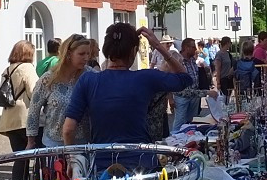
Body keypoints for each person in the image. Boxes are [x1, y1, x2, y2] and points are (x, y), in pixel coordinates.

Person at [63, 24, 195, 170]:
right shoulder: (145, 78)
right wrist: (158, 46)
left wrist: (72, 160)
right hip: (142, 164)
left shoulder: (88, 80)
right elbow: (185, 79)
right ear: (133, 51)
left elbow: (68, 129)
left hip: (103, 166)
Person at [26, 34, 97, 158]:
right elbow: (34, 111)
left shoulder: (91, 76)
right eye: (81, 54)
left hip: (83, 144)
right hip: (53, 145)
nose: (86, 58)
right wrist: (31, 141)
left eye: (88, 54)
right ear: (69, 54)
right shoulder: (48, 79)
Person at [0, 40, 39, 155]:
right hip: (25, 118)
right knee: (39, 154)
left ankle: (19, 174)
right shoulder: (27, 68)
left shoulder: (7, 70)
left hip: (9, 118)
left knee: (19, 158)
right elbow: (34, 92)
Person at [172, 38, 206, 129]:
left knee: (191, 122)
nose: (195, 49)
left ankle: (188, 140)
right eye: (193, 47)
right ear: (186, 48)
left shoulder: (192, 60)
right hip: (182, 96)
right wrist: (170, 99)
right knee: (180, 122)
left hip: (194, 95)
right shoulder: (178, 60)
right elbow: (171, 78)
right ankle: (174, 140)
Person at [213, 36, 236, 101]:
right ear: (227, 43)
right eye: (230, 42)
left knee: (228, 97)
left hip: (229, 78)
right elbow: (218, 68)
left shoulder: (228, 53)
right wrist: (218, 82)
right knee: (224, 98)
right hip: (223, 78)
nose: (230, 44)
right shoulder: (219, 54)